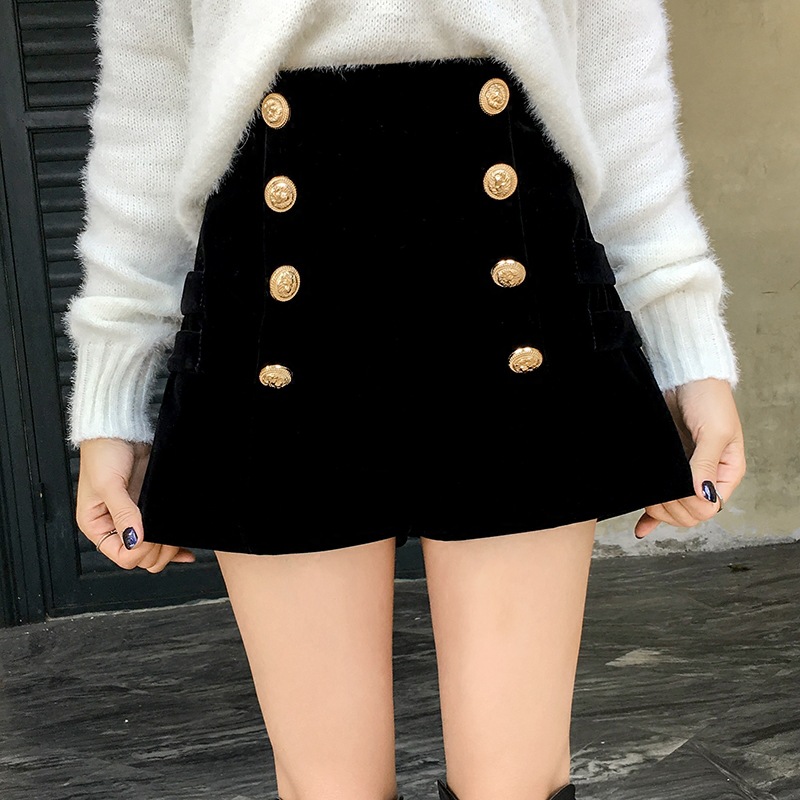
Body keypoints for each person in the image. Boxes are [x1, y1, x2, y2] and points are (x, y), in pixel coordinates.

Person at [65, 2, 747, 800]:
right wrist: (115, 392)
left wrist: (687, 348)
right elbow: (147, 104)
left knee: (515, 785)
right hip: (276, 279)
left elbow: (617, 82)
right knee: (330, 787)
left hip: (511, 260)